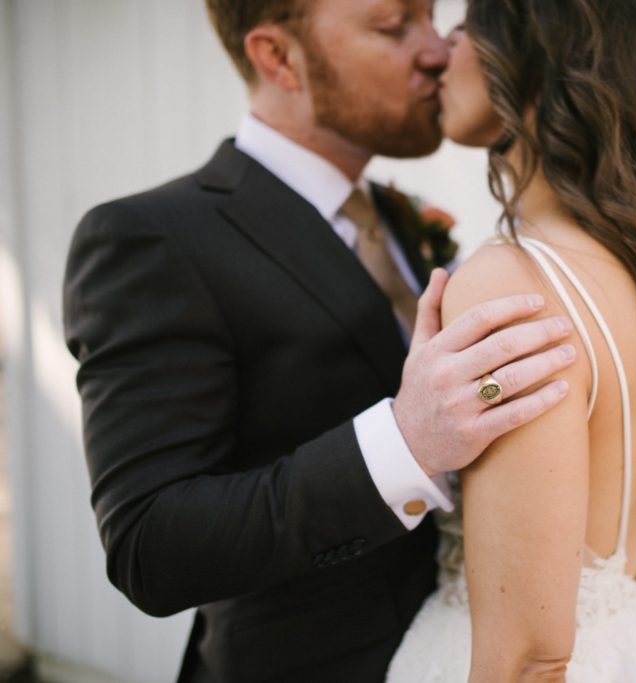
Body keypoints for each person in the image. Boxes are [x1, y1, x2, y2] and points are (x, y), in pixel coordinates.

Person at [61, 1, 579, 680]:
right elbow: (150, 545)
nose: (436, 50)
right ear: (278, 58)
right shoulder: (152, 238)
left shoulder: (401, 220)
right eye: (395, 27)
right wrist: (405, 443)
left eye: (432, 18)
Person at [386, 0, 636, 680]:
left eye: (468, 24)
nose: (442, 47)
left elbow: (530, 657)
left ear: (538, 56)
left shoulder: (514, 284)